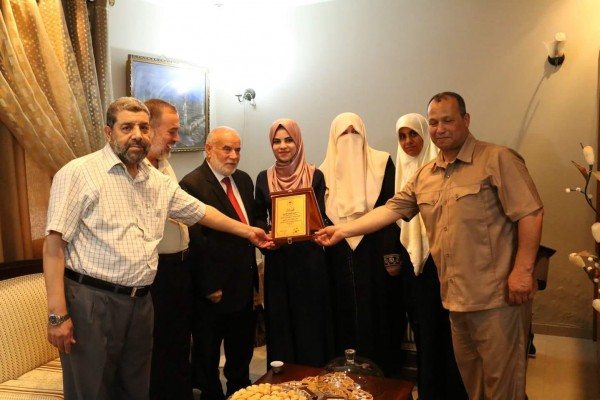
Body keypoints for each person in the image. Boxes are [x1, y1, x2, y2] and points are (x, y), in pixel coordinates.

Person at [315, 92, 544, 400]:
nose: (439, 129)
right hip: (454, 300)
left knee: (504, 387)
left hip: (495, 298)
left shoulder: (497, 159)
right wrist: (342, 230)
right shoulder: (426, 174)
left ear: (466, 120)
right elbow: (390, 210)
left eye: (448, 120)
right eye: (434, 122)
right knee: (473, 384)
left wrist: (523, 271)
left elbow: (530, 213)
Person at [43, 97, 272, 400]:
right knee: (93, 391)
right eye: (127, 127)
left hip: (141, 303)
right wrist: (57, 315)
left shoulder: (155, 179)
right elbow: (54, 246)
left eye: (143, 127)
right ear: (108, 132)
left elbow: (200, 211)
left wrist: (248, 231)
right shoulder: (78, 173)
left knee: (137, 389)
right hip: (93, 302)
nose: (137, 135)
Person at [318, 112, 405, 377]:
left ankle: (384, 375)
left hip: (376, 252)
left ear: (364, 134)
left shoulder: (382, 163)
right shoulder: (321, 174)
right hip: (337, 253)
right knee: (342, 313)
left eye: (355, 132)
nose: (350, 138)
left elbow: (392, 212)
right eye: (343, 134)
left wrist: (391, 255)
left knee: (380, 312)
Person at [179, 127, 257, 400]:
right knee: (208, 352)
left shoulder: (244, 180)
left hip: (243, 284)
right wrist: (209, 285)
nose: (234, 155)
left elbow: (250, 225)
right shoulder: (191, 184)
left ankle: (240, 392)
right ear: (209, 150)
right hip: (213, 289)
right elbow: (195, 240)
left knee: (241, 348)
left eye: (237, 149)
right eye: (227, 149)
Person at [395, 113, 467, 400]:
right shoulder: (399, 169)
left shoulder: (440, 169)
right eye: (402, 136)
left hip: (443, 260)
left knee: (450, 333)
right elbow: (393, 214)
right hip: (413, 265)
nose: (408, 141)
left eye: (413, 134)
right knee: (424, 332)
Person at [254, 118, 334, 368]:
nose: (283, 146)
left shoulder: (315, 175)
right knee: (280, 319)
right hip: (278, 258)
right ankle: (283, 374)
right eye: (277, 141)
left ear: (298, 142)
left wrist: (314, 229)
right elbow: (258, 217)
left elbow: (320, 216)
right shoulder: (263, 177)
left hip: (309, 259)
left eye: (288, 140)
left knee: (310, 318)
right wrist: (267, 235)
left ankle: (312, 373)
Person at [144, 99, 193, 400]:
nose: (177, 138)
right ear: (149, 129)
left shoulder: (163, 163)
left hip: (178, 268)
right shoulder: (136, 171)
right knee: (158, 348)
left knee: (179, 344)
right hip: (156, 274)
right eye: (171, 131)